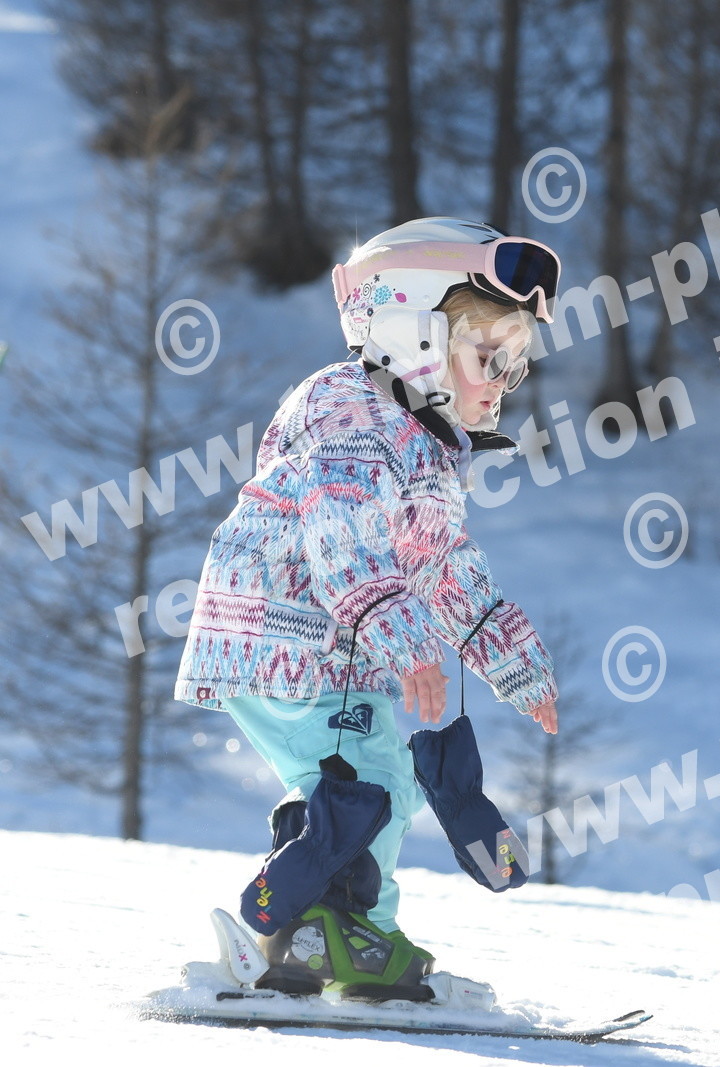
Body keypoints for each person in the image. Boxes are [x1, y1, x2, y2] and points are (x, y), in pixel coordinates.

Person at [174, 217, 561, 1000]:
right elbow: (342, 536)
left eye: (515, 362)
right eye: (489, 355)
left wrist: (516, 663)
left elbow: (447, 568)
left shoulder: (419, 441)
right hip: (293, 637)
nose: (503, 380)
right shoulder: (355, 418)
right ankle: (332, 932)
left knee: (372, 778)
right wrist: (409, 642)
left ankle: (326, 933)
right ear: (413, 336)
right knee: (369, 776)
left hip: (317, 644)